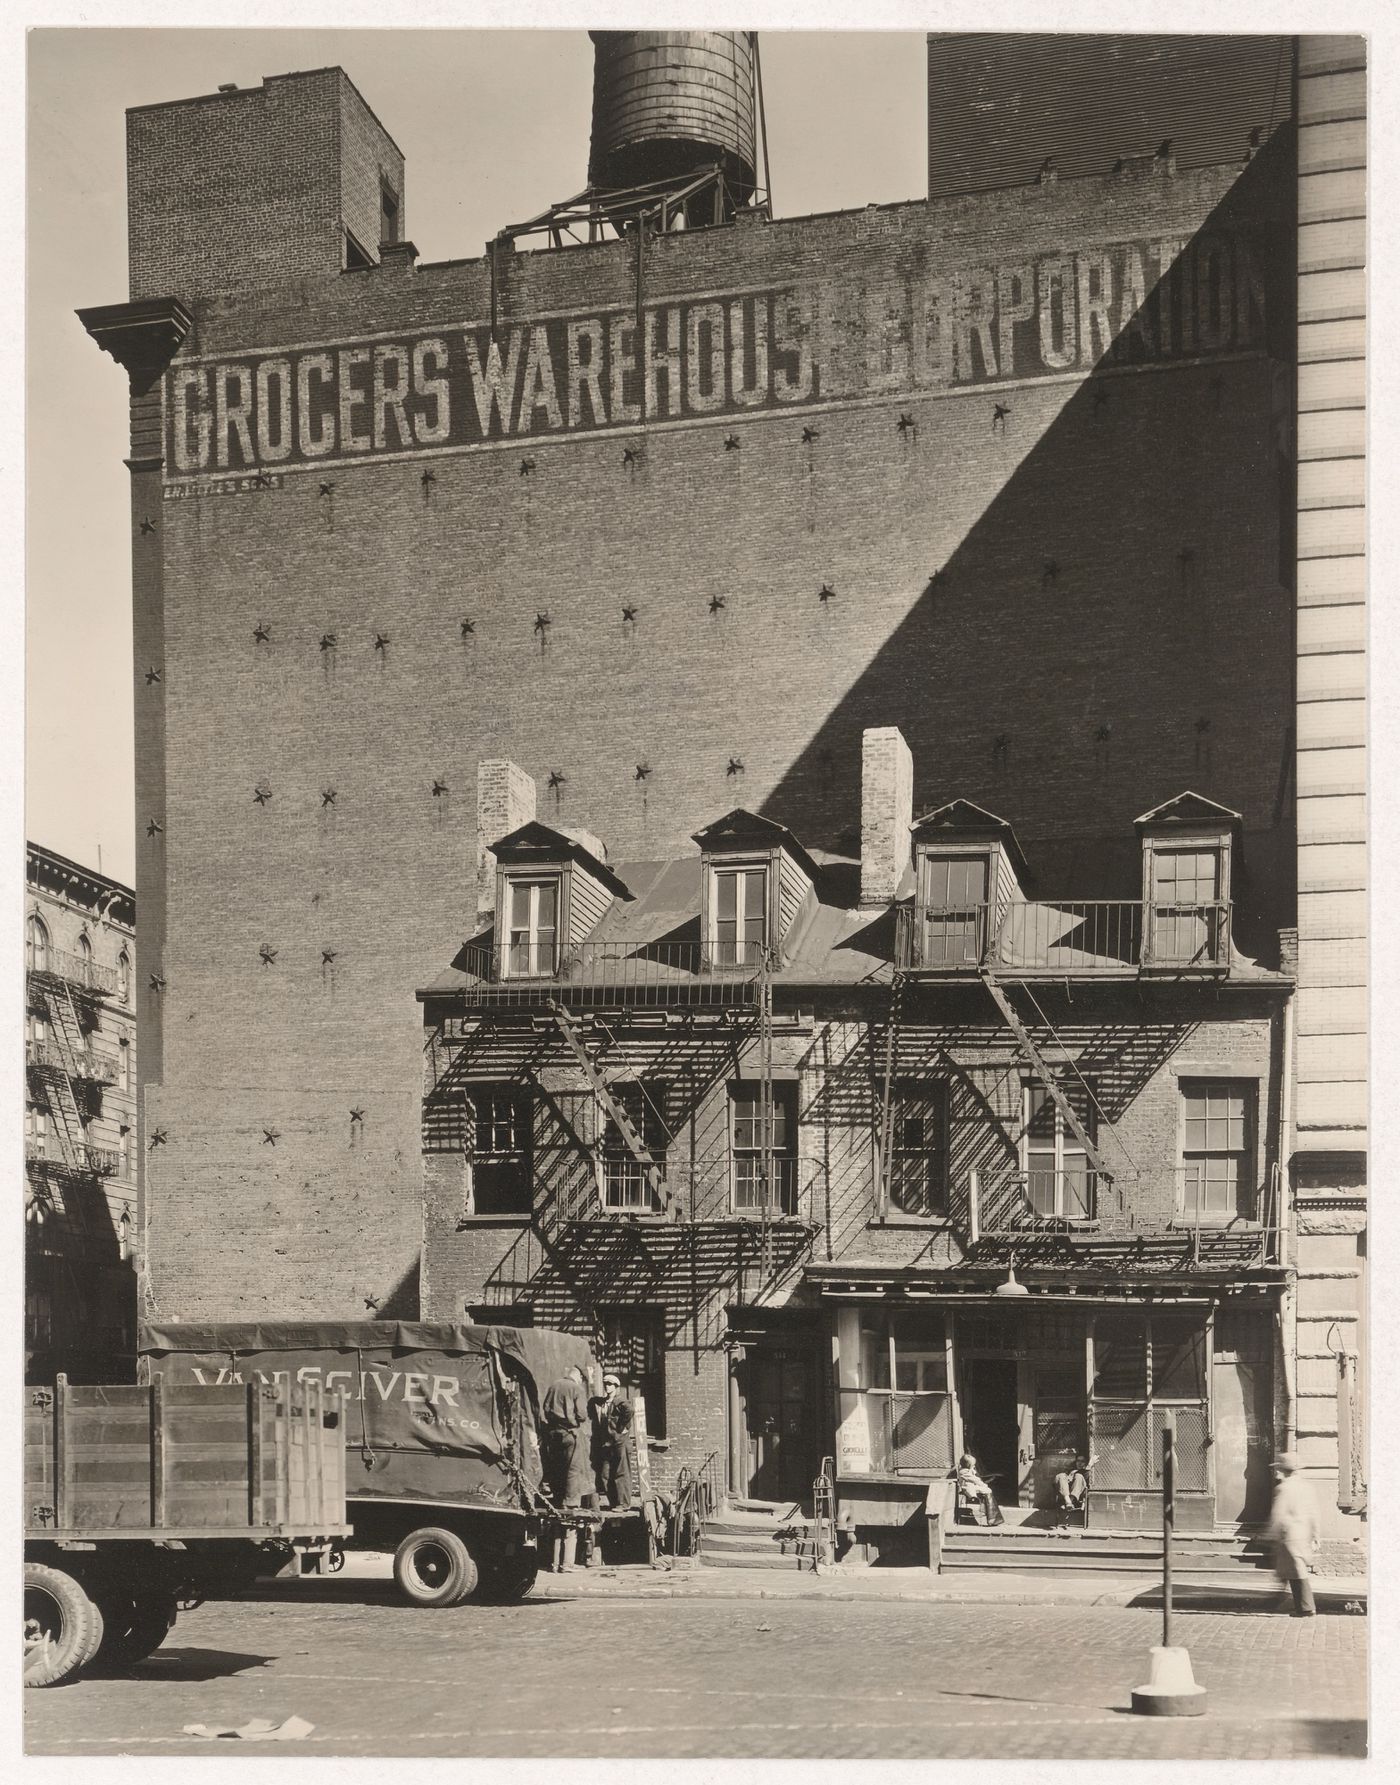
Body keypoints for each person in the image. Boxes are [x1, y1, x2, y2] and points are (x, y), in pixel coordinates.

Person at [541, 1365, 591, 1568]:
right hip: (569, 1433)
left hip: (552, 1433)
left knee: (557, 1469)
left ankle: (559, 1498)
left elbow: (545, 1409)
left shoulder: (554, 1385)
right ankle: (570, 1503)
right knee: (573, 1469)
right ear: (578, 1376)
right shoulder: (575, 1389)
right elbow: (581, 1415)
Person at [1268, 1451, 1320, 1617]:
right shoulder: (1307, 1487)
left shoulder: (1283, 1489)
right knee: (1289, 1569)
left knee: (1296, 1571)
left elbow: (1278, 1513)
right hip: (1303, 1534)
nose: (1277, 1472)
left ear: (1283, 1470)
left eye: (1279, 1469)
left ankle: (1305, 1607)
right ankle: (1279, 1600)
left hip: (1289, 1534)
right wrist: (1316, 1535)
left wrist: (1271, 1533)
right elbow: (1315, 1513)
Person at [590, 1369, 636, 1510]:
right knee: (605, 1474)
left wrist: (622, 1427)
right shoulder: (604, 1402)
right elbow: (593, 1400)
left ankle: (623, 1504)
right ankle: (613, 1502)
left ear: (616, 1387)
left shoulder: (620, 1401)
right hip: (607, 1443)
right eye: (605, 1384)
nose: (607, 1387)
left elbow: (630, 1411)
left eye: (610, 1384)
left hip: (620, 1442)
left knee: (621, 1473)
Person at [955, 1452, 1004, 1526]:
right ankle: (992, 1517)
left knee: (988, 1491)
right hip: (968, 1488)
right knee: (988, 1490)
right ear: (968, 1465)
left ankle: (992, 1515)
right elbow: (975, 1480)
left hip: (972, 1486)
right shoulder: (964, 1472)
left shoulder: (968, 1470)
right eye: (973, 1465)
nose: (974, 1466)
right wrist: (984, 1485)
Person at [1054, 1453, 1096, 1526]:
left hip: (1078, 1495)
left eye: (1082, 1461)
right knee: (1060, 1475)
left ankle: (1070, 1501)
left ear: (1085, 1462)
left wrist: (1089, 1465)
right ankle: (1068, 1502)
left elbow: (1086, 1476)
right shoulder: (1071, 1470)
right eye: (1078, 1461)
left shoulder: (1086, 1472)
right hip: (1066, 1494)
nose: (1079, 1463)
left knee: (1079, 1476)